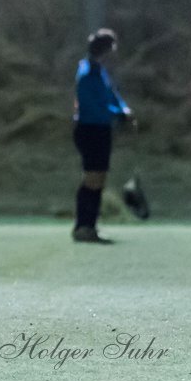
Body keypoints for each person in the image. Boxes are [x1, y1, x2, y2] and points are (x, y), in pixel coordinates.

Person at [71, 28, 132, 242]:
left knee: (99, 178)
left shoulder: (99, 71)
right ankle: (82, 226)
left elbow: (111, 95)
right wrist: (117, 114)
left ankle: (90, 226)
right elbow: (93, 106)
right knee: (92, 178)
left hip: (101, 129)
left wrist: (123, 110)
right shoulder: (88, 74)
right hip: (90, 129)